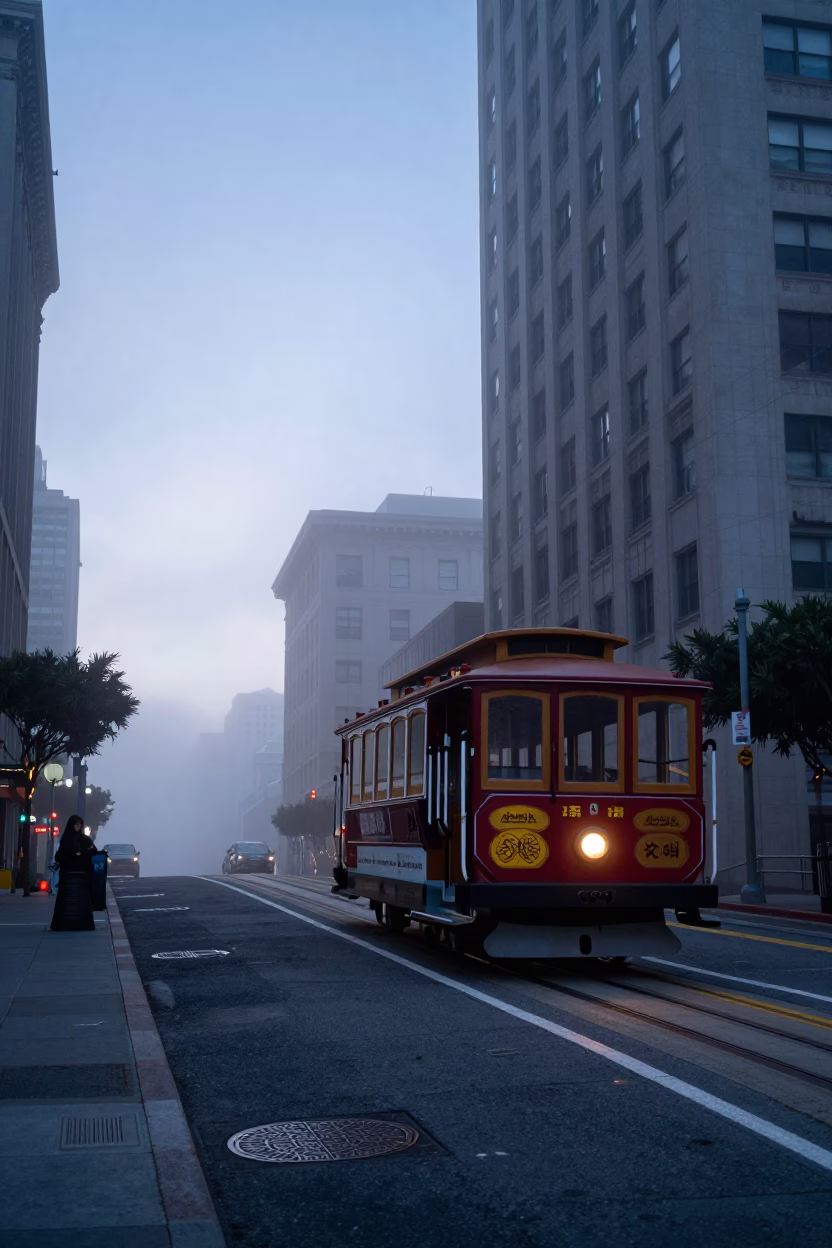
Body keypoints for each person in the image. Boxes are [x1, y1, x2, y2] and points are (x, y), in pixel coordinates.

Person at [50, 817, 99, 931]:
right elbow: (60, 856)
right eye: (76, 825)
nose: (78, 827)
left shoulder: (83, 839)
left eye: (79, 825)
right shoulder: (68, 839)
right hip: (71, 875)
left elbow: (93, 851)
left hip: (79, 874)